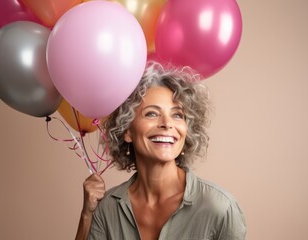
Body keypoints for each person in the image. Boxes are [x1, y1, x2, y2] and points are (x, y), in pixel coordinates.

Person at [75, 61, 247, 240]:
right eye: (152, 113)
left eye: (177, 115)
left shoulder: (220, 208)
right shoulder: (108, 207)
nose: (167, 123)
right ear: (127, 130)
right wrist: (87, 215)